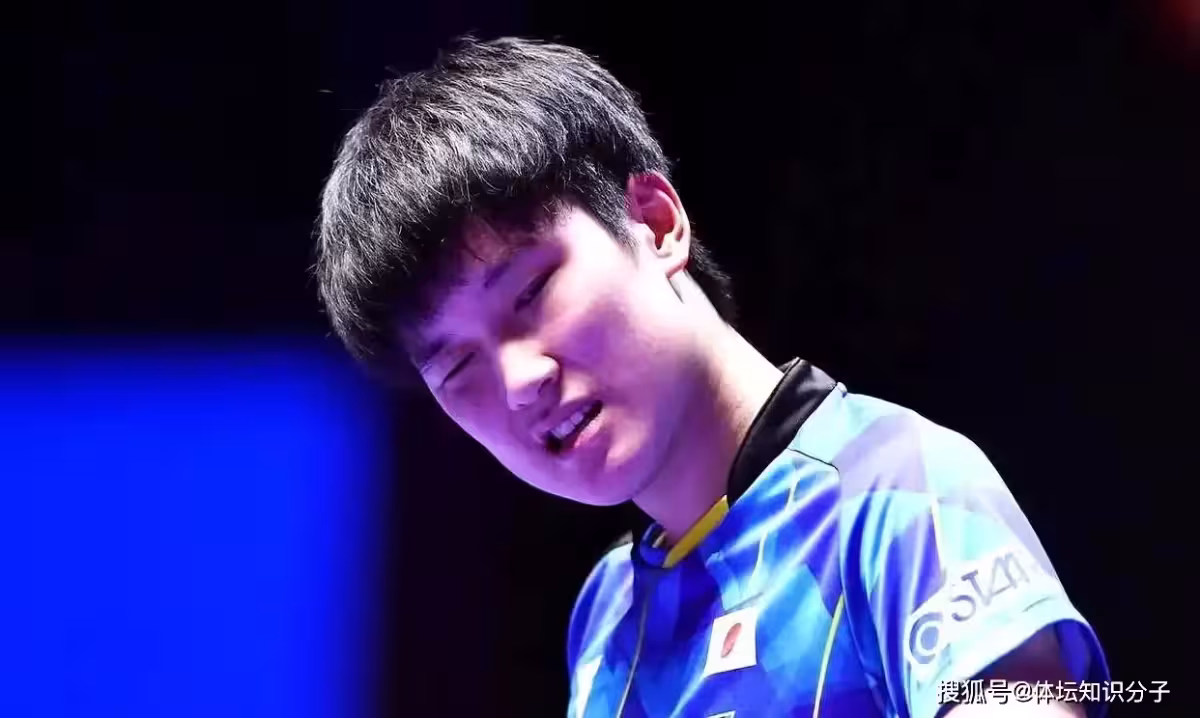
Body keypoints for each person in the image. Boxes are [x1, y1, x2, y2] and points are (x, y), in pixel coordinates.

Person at [316, 36, 1109, 718]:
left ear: (656, 223)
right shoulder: (606, 622)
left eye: (531, 291)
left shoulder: (898, 494)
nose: (520, 379)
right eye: (458, 366)